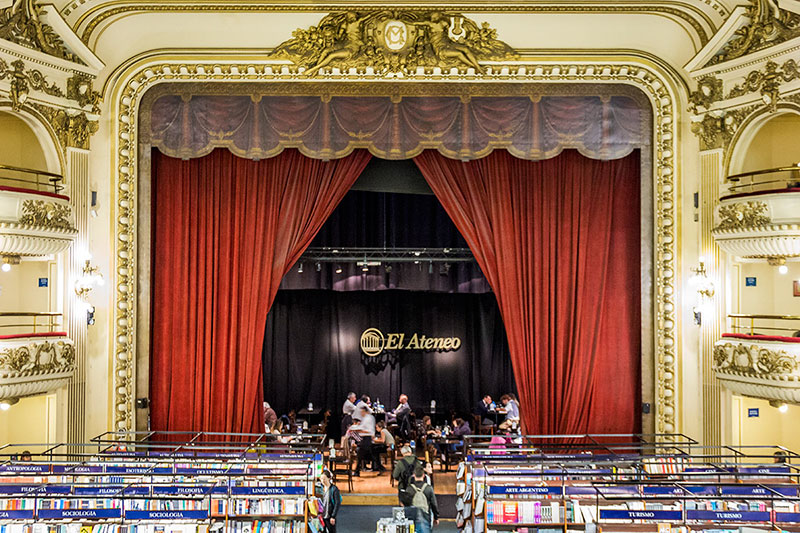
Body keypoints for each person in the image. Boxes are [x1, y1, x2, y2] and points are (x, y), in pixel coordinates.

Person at [407, 464, 439, 533]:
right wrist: (436, 517)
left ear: (413, 475)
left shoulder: (409, 489)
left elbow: (406, 504)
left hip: (412, 516)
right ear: (424, 476)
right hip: (425, 516)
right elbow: (434, 504)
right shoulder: (428, 488)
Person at [351, 404, 376, 475]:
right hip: (365, 439)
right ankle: (357, 470)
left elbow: (367, 430)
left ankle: (357, 471)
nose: (361, 413)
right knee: (363, 455)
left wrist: (356, 429)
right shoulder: (365, 418)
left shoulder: (368, 419)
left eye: (362, 412)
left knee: (362, 454)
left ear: (365, 411)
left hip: (366, 439)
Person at [319, 469, 341, 533]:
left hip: (329, 515)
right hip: (322, 515)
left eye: (324, 479)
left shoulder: (334, 489)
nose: (322, 481)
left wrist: (333, 516)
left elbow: (337, 503)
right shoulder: (321, 488)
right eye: (321, 479)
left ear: (329, 478)